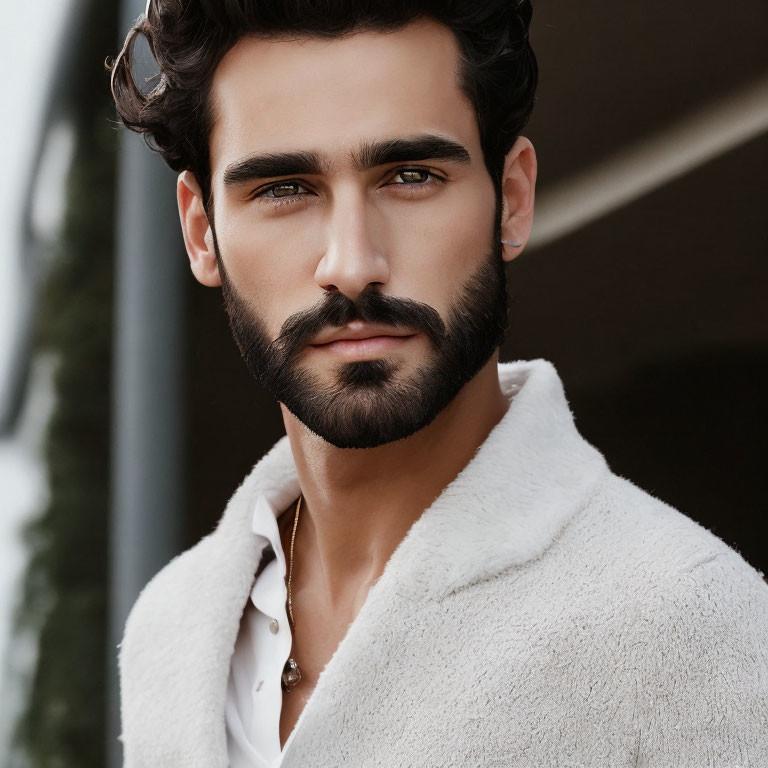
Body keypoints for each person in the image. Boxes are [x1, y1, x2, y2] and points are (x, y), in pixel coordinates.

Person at [109, 1, 768, 766]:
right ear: (201, 232)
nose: (351, 263)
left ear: (512, 198)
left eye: (410, 175)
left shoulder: (691, 625)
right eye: (284, 188)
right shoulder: (173, 631)